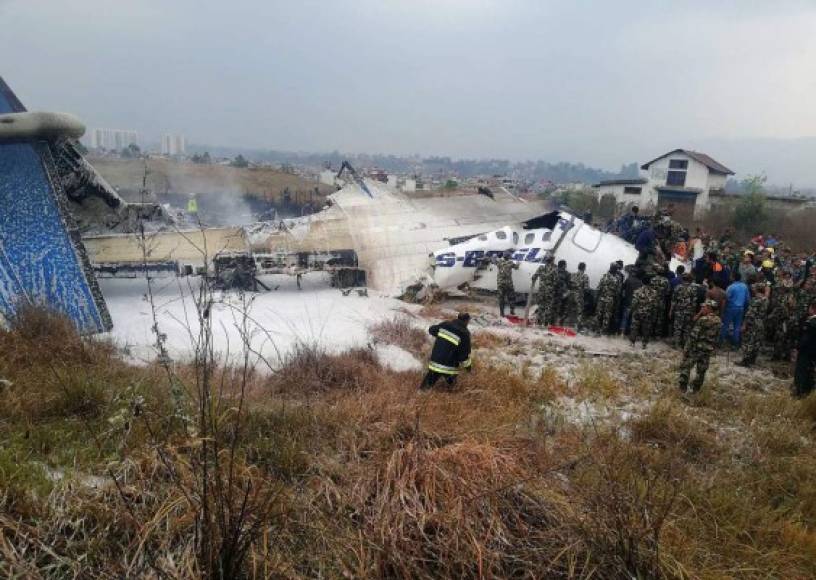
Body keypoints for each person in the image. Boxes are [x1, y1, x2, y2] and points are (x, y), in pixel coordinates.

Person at [679, 300, 721, 394]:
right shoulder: (718, 320)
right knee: (701, 370)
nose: (702, 309)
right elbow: (717, 337)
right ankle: (696, 388)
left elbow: (693, 335)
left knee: (686, 365)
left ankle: (683, 386)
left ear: (709, 308)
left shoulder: (703, 320)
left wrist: (686, 349)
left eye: (704, 307)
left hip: (696, 348)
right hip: (707, 349)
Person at [420, 312, 472, 390]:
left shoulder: (446, 324)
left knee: (425, 387)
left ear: (458, 318)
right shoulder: (465, 334)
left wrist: (442, 337)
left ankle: (421, 394)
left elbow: (431, 330)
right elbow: (463, 356)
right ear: (467, 321)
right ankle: (451, 393)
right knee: (453, 388)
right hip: (449, 368)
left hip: (435, 362)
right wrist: (469, 369)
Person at [737, 282, 769, 367]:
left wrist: (744, 325)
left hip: (753, 323)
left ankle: (745, 361)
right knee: (756, 342)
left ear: (758, 289)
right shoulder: (765, 299)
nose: (753, 289)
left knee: (748, 341)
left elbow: (750, 314)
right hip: (761, 322)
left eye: (754, 288)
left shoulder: (756, 300)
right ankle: (752, 359)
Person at [793, 302, 816, 398]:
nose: (808, 310)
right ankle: (808, 391)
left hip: (806, 351)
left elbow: (805, 339)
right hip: (814, 353)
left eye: (809, 308)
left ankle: (799, 392)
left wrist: (797, 348)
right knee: (810, 371)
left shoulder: (810, 322)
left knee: (801, 371)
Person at [720, 272, 749, 347]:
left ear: (733, 278)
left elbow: (726, 299)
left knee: (725, 325)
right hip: (741, 308)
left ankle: (721, 341)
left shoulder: (731, 287)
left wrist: (723, 310)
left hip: (731, 308)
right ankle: (735, 343)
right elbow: (747, 299)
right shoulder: (744, 286)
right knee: (737, 326)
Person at [629, 276, 658, 349]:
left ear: (642, 282)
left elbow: (634, 303)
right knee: (646, 329)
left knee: (634, 328)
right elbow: (655, 305)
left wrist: (632, 310)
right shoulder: (654, 292)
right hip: (648, 313)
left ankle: (632, 343)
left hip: (637, 312)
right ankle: (644, 344)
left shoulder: (637, 291)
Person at [670, 273, 697, 348]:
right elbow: (694, 302)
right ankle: (685, 345)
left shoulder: (677, 287)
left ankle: (677, 344)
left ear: (683, 279)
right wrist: (694, 313)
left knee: (677, 328)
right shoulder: (693, 288)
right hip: (689, 311)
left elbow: (673, 301)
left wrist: (670, 311)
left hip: (678, 311)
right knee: (687, 329)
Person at [594, 263, 621, 335]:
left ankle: (599, 331)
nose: (615, 269)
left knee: (602, 315)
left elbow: (599, 287)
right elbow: (618, 291)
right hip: (608, 299)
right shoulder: (617, 278)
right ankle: (601, 331)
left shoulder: (605, 276)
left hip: (604, 298)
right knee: (604, 315)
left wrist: (596, 298)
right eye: (615, 268)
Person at [531, 256, 558, 326]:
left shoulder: (541, 268)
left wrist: (535, 280)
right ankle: (546, 323)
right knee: (548, 306)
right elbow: (556, 281)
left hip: (541, 290)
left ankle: (539, 321)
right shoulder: (554, 269)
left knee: (541, 306)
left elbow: (534, 277)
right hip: (549, 291)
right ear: (552, 261)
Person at [494, 251, 519, 317]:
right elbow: (516, 267)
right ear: (508, 257)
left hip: (500, 284)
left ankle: (502, 313)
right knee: (511, 297)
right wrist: (518, 263)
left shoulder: (499, 262)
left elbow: (493, 260)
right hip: (509, 284)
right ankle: (512, 311)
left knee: (501, 298)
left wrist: (495, 256)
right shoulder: (510, 263)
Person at [619, 265, 642, 336]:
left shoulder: (628, 280)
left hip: (627, 302)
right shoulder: (640, 282)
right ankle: (630, 333)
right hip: (635, 303)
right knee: (633, 319)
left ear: (632, 273)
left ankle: (622, 333)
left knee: (625, 318)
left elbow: (622, 288)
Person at [569, 262, 590, 331]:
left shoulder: (572, 275)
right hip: (579, 295)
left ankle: (569, 325)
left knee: (571, 309)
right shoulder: (585, 276)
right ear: (584, 268)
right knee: (579, 311)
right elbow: (586, 288)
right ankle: (577, 327)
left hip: (571, 294)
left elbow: (570, 284)